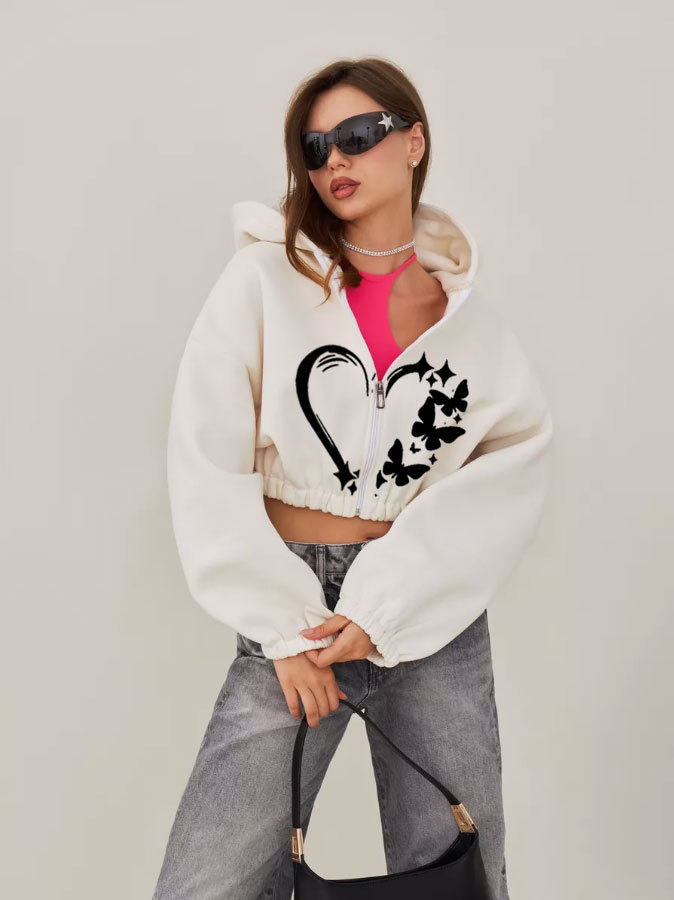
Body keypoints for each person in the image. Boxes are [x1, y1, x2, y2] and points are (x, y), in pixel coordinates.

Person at [152, 56, 553, 900]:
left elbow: (510, 468)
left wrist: (388, 604)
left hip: (430, 617)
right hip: (298, 613)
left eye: (359, 135)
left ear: (413, 142)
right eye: (315, 146)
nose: (335, 157)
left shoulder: (469, 324)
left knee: (458, 876)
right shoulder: (263, 282)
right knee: (205, 882)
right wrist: (282, 627)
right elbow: (205, 454)